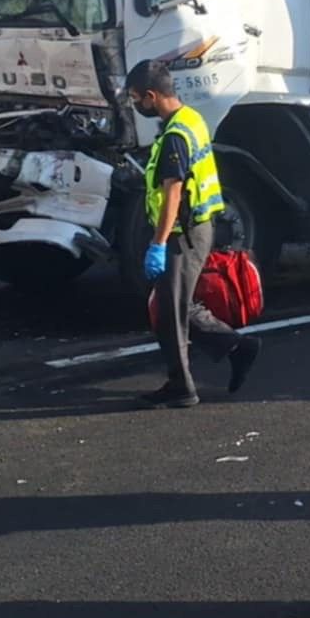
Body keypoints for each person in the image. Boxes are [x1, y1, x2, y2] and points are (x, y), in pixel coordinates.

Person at [124, 59, 261, 409]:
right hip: (196, 229)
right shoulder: (191, 119)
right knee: (176, 303)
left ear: (152, 96)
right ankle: (236, 346)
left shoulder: (174, 137)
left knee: (169, 309)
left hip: (183, 234)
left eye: (137, 98)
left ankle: (182, 386)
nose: (136, 105)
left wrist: (158, 243)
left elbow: (173, 191)